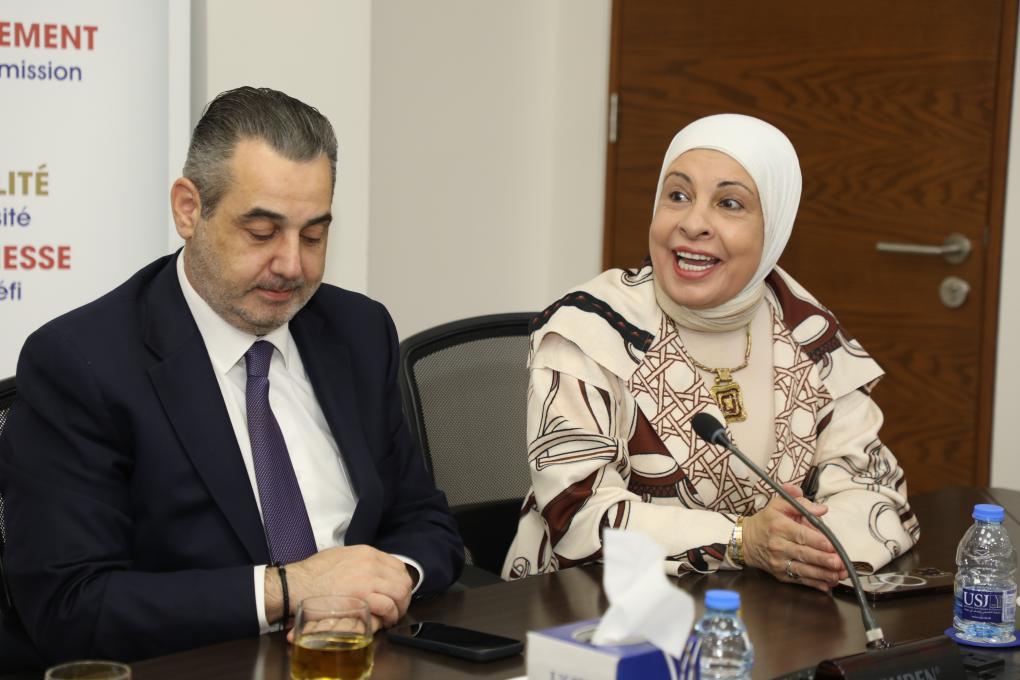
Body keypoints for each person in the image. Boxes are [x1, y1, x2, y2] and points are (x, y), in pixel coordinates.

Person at [0, 87, 463, 664]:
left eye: (314, 235)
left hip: (355, 656)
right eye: (262, 233)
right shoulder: (82, 363)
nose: (292, 265)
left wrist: (388, 579)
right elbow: (71, 606)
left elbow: (425, 521)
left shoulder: (357, 331)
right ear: (188, 210)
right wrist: (290, 590)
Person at [502, 114, 919, 590]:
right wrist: (741, 540)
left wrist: (811, 548)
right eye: (678, 196)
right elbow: (578, 515)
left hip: (768, 611)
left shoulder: (805, 328)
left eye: (729, 203)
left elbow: (873, 487)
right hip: (593, 609)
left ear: (774, 228)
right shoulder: (588, 331)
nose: (693, 223)